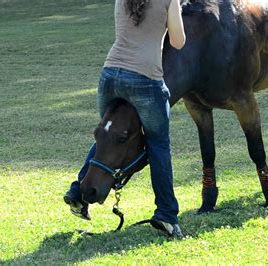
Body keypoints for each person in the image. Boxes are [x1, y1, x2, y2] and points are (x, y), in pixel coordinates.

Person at [63, 0, 186, 238]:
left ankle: (79, 191)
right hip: (145, 78)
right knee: (158, 144)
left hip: (110, 75)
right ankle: (167, 215)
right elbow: (178, 41)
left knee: (108, 138)